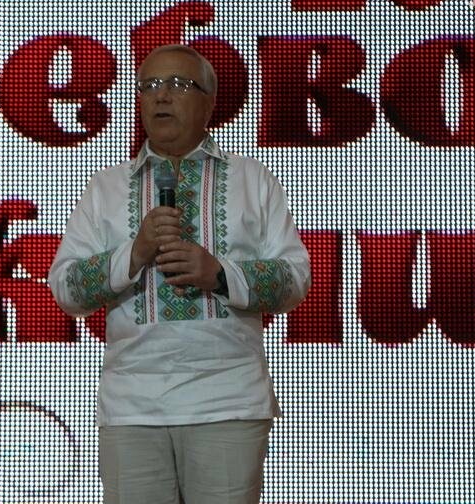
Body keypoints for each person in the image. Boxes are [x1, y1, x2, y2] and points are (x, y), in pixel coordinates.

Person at [48, 44, 311, 504]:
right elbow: (66, 288)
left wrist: (220, 274)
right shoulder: (107, 187)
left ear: (210, 103)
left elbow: (294, 279)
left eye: (177, 84)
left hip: (227, 401)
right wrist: (134, 253)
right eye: (149, 86)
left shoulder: (252, 180)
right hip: (132, 406)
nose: (161, 96)